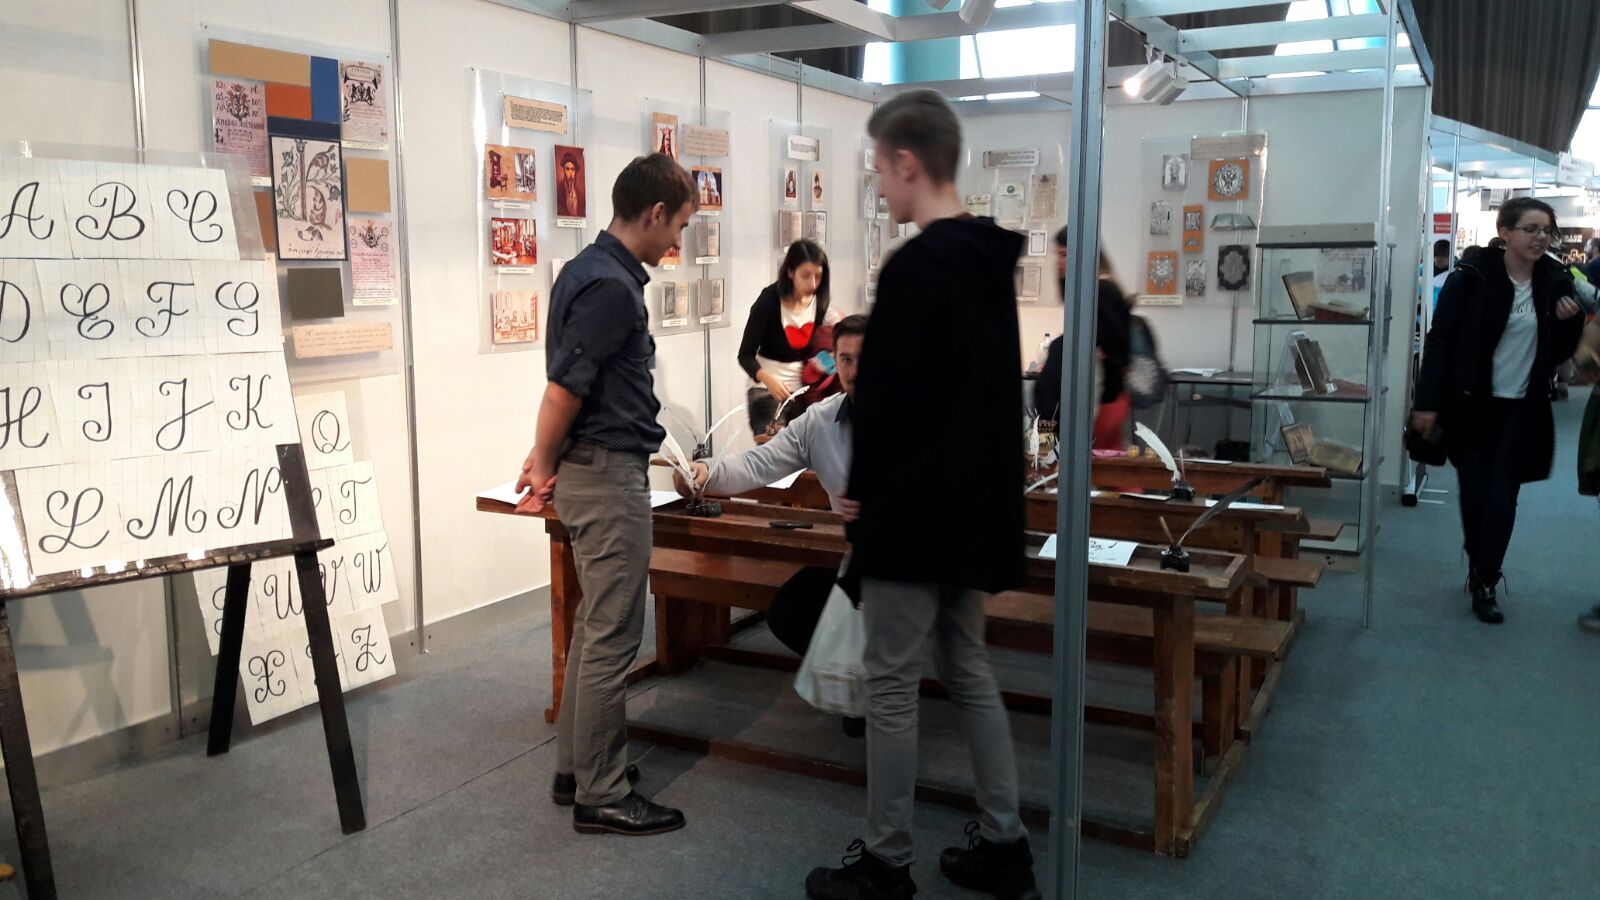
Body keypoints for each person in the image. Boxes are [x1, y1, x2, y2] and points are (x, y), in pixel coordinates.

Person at [805, 89, 1039, 900]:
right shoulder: (988, 263)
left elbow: (889, 410)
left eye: (879, 169)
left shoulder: (914, 268)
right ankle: (1005, 845)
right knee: (969, 670)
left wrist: (864, 513)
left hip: (910, 519)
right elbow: (991, 405)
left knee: (892, 686)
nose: (879, 187)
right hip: (970, 516)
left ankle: (887, 862)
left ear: (907, 162)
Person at [513, 152, 696, 835]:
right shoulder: (612, 287)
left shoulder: (584, 269)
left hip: (592, 466)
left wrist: (548, 456)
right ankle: (602, 792)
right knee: (614, 634)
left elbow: (573, 385)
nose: (676, 241)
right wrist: (542, 463)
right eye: (678, 226)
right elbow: (564, 388)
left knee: (596, 629)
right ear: (654, 213)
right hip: (608, 475)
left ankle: (577, 769)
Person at [1410, 197, 1584, 624]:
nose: (1541, 237)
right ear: (1505, 232)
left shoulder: (1555, 281)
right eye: (1531, 229)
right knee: (1474, 495)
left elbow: (1558, 354)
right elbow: (1440, 342)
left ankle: (1487, 578)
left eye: (1546, 231)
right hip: (1471, 406)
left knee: (1504, 496)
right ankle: (1478, 559)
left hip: (1522, 410)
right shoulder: (1471, 278)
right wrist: (1426, 404)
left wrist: (1569, 322)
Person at [678, 315, 867, 671]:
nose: (854, 370)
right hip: (855, 557)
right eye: (846, 359)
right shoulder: (820, 421)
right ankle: (853, 681)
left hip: (911, 557)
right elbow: (758, 464)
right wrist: (704, 474)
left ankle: (871, 680)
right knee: (788, 612)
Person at [1035, 230, 1133, 450]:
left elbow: (1117, 343)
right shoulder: (1098, 289)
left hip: (1099, 395)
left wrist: (1098, 351)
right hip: (1103, 396)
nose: (1059, 262)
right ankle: (1045, 453)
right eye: (1057, 255)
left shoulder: (1101, 290)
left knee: (1086, 457)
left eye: (1064, 254)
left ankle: (1045, 454)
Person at [738, 239, 840, 439]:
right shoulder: (767, 302)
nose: (813, 284)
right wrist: (768, 380)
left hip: (802, 392)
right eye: (806, 276)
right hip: (766, 391)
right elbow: (745, 355)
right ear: (791, 271)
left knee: (808, 452)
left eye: (818, 276)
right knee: (776, 453)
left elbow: (816, 343)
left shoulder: (820, 301)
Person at [557, 150, 585, 219]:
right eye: (567, 169)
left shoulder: (580, 196)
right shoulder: (558, 191)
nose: (570, 173)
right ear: (563, 170)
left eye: (572, 169)